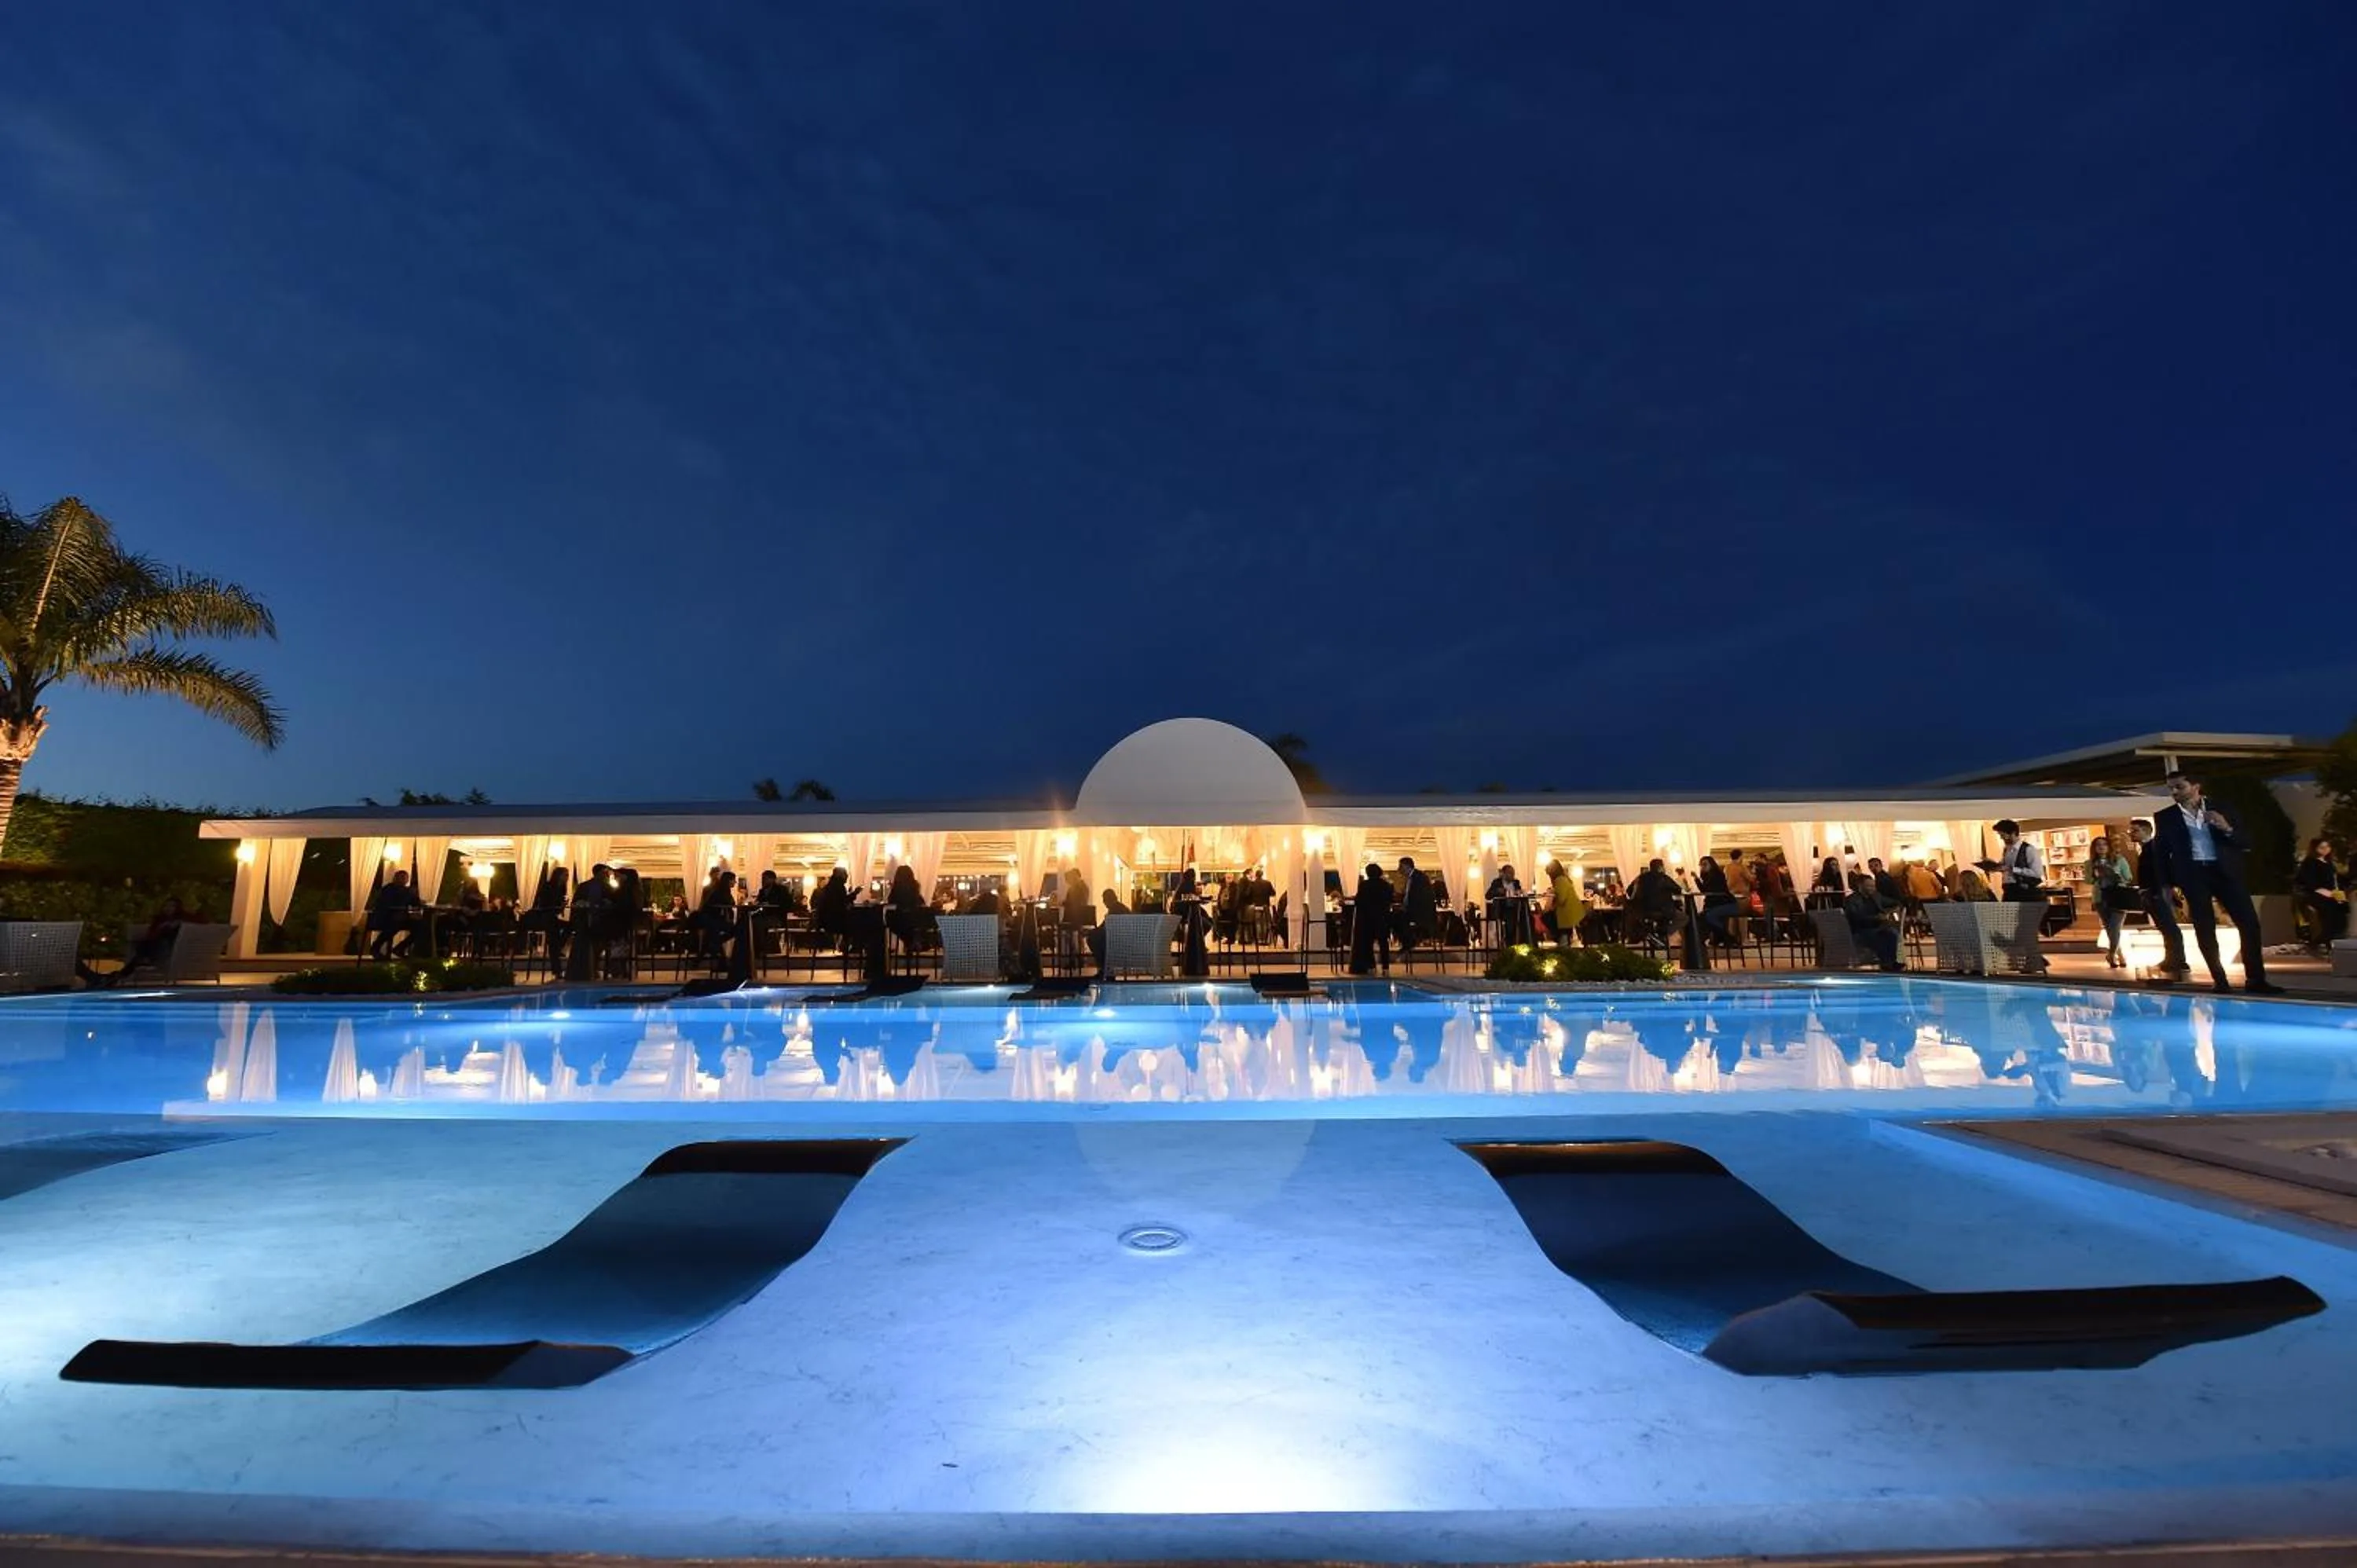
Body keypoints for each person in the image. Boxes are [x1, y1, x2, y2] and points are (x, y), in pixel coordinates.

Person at [2143, 769, 2279, 995]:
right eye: (2171, 788)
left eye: (2179, 787)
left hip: (2225, 872)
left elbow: (2245, 841)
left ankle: (2256, 979)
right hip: (2193, 874)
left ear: (2196, 787)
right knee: (2204, 927)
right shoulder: (2166, 816)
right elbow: (2160, 854)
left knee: (2249, 924)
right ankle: (2220, 979)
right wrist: (2164, 885)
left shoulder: (2223, 808)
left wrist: (2226, 828)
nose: (2174, 792)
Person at [2128, 817, 2189, 982]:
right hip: (2153, 891)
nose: (2131, 834)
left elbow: (2160, 871)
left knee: (2168, 926)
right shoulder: (2147, 849)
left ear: (2146, 831)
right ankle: (2173, 958)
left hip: (2157, 891)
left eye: (2135, 830)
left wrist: (2158, 890)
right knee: (2165, 926)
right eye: (2131, 831)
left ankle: (2177, 959)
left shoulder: (2153, 849)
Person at [2084, 833, 2136, 969]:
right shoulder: (2089, 863)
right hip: (2100, 898)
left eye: (2104, 844)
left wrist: (2115, 876)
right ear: (2094, 848)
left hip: (2119, 897)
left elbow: (2129, 877)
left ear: (2109, 847)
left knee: (2115, 927)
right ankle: (2120, 954)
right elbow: (2088, 881)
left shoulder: (2119, 860)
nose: (2101, 847)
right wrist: (2097, 876)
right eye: (2098, 845)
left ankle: (2111, 955)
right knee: (2109, 929)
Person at [1842, 872, 1906, 972]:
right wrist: (1876, 918)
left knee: (1893, 934)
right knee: (1880, 937)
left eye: (1873, 886)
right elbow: (1855, 918)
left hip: (1878, 927)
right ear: (1860, 886)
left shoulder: (1876, 896)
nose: (1872, 888)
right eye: (1869, 886)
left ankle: (1897, 962)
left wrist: (1893, 911)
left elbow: (1895, 902)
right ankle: (1887, 963)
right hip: (1860, 930)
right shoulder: (1852, 900)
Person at [2294, 837, 2348, 950]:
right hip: (2314, 894)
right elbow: (2310, 882)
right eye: (2322, 847)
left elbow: (2336, 880)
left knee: (2342, 908)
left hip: (2331, 894)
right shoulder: (2310, 862)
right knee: (2329, 909)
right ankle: (2325, 940)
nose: (2325, 850)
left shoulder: (2329, 863)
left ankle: (2331, 938)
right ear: (2315, 849)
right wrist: (2325, 892)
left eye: (2327, 847)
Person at [1350, 861, 1395, 975]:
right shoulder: (1387, 886)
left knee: (1368, 944)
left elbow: (1359, 902)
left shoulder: (1364, 885)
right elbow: (1390, 901)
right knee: (1383, 943)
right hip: (1382, 919)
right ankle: (1386, 967)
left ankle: (1371, 966)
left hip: (1368, 920)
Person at [366, 869, 421, 959]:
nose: (403, 880)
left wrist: (417, 900)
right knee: (394, 924)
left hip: (401, 918)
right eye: (401, 878)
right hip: (384, 917)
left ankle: (401, 948)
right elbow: (384, 905)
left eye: (405, 878)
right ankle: (375, 948)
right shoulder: (388, 890)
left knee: (420, 927)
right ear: (395, 878)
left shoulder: (408, 891)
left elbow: (416, 903)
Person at [1629, 858, 1684, 947]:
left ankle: (1655, 934)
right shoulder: (1664, 878)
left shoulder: (1640, 877)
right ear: (1661, 867)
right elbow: (1678, 890)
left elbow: (1629, 891)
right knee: (1683, 918)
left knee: (1661, 918)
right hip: (1663, 910)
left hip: (1642, 911)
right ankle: (1662, 934)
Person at [1394, 856, 1437, 951]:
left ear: (1406, 866)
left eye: (1401, 867)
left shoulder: (1419, 878)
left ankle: (1409, 942)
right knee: (1396, 917)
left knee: (1395, 918)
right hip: (1414, 910)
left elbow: (1421, 899)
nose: (1399, 870)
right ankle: (1409, 941)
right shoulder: (1412, 878)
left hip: (1421, 913)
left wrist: (1406, 908)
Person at [1696, 854, 1739, 947]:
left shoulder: (1717, 875)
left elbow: (1711, 891)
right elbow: (1705, 891)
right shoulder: (1708, 877)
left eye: (1705, 864)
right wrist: (1697, 879)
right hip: (1718, 904)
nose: (1703, 867)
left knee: (1709, 916)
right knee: (1703, 917)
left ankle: (1728, 938)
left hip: (1726, 904)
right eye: (1701, 865)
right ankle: (1720, 939)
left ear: (1711, 864)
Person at [1546, 860, 1585, 944]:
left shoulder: (1559, 880)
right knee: (1566, 933)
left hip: (1566, 913)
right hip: (1571, 912)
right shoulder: (1564, 879)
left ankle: (1564, 951)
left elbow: (1562, 899)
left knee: (1564, 934)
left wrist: (1553, 903)